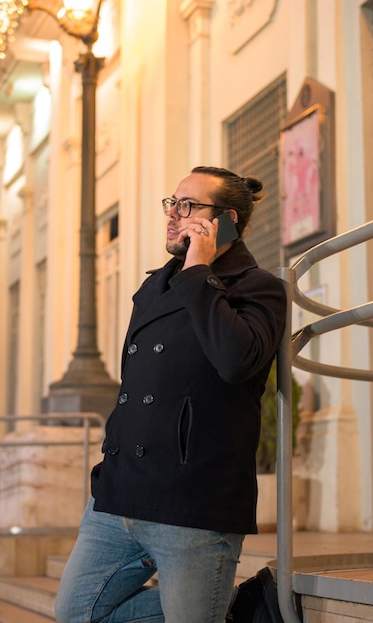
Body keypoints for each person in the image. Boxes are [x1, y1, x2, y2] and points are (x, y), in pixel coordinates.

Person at [55, 166, 287, 623]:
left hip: (192, 500)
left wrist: (199, 269)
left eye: (189, 206)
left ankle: (220, 607)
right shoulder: (152, 287)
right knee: (77, 612)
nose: (174, 214)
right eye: (172, 203)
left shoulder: (258, 288)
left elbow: (237, 360)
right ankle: (230, 609)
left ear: (227, 220)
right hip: (120, 494)